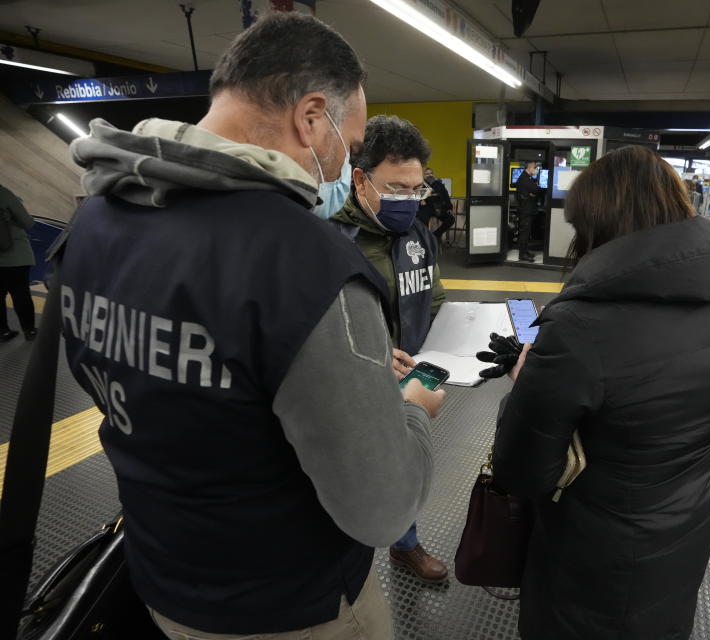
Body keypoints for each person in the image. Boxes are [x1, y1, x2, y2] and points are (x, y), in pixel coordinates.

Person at [63, 13, 444, 640]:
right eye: (349, 145)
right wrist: (408, 409)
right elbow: (379, 511)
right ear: (311, 116)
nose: (345, 168)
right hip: (291, 602)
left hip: (162, 573)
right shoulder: (305, 264)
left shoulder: (97, 219)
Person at [492, 145, 710, 640]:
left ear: (598, 226)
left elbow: (521, 471)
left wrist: (525, 383)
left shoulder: (579, 326)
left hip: (596, 549)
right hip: (686, 520)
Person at [331, 114, 448, 584]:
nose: (409, 201)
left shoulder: (418, 234)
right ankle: (342, 560)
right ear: (361, 180)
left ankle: (405, 544)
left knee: (399, 462)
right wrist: (377, 359)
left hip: (409, 375)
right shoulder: (335, 239)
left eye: (416, 190)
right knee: (348, 468)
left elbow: (433, 296)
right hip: (349, 381)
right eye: (397, 188)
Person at [0, 183, 37, 341]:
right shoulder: (3, 193)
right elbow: (27, 222)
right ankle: (29, 330)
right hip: (14, 255)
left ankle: (3, 332)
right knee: (21, 293)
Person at [418, 167, 455, 244]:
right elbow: (416, 196)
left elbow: (446, 196)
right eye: (427, 174)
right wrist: (420, 201)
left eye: (431, 173)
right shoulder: (421, 185)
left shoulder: (439, 185)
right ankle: (425, 239)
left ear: (434, 174)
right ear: (424, 176)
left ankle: (435, 235)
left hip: (439, 208)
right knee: (422, 219)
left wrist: (450, 207)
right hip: (427, 207)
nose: (429, 175)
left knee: (450, 219)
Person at [514, 161, 540, 262]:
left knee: (526, 232)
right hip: (526, 210)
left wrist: (532, 195)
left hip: (527, 209)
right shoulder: (524, 178)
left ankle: (525, 251)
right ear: (530, 168)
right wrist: (532, 194)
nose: (536, 169)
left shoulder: (527, 177)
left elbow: (533, 192)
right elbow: (536, 189)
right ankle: (523, 254)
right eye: (535, 167)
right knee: (524, 233)